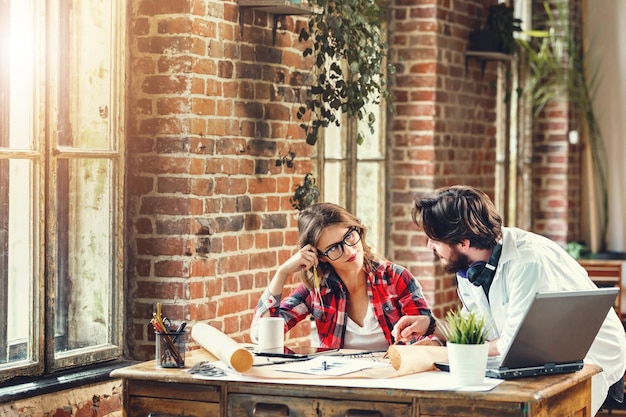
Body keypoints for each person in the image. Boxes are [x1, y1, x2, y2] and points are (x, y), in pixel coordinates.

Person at [397, 185, 626, 415]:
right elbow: (480, 333)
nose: (429, 246)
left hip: (589, 352)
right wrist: (434, 328)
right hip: (534, 354)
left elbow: (513, 343)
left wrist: (447, 353)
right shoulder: (468, 266)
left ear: (463, 242)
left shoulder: (528, 262)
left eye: (433, 239)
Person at [252, 202, 435, 350]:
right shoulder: (316, 291)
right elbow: (261, 336)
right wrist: (281, 274)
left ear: (358, 230)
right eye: (333, 248)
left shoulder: (395, 278)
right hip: (340, 385)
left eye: (349, 236)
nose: (348, 250)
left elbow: (425, 335)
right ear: (320, 257)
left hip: (394, 380)